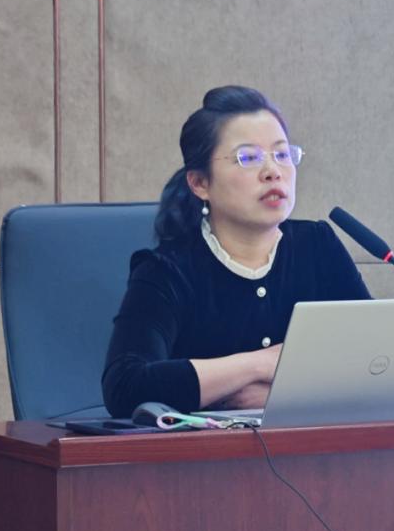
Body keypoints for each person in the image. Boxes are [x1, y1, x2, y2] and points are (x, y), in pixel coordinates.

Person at [102, 86, 370, 418]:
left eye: (282, 154)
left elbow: (374, 360)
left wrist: (282, 392)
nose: (273, 171)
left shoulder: (317, 245)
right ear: (200, 183)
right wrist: (260, 364)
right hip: (203, 451)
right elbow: (125, 386)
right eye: (249, 158)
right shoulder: (167, 270)